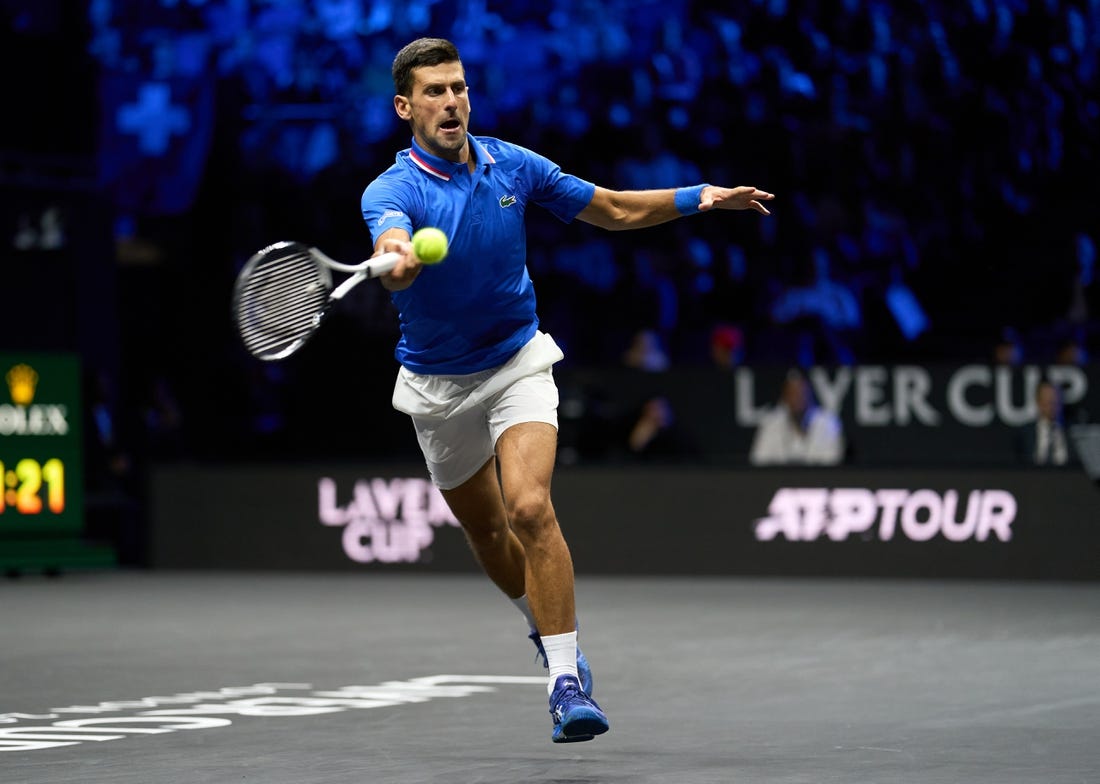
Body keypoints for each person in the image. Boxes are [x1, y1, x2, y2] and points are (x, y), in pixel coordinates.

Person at [360, 37, 774, 744]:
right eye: (434, 91)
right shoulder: (392, 193)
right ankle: (544, 630)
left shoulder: (512, 164)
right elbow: (394, 255)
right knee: (488, 532)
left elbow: (610, 208)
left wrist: (699, 196)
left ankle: (563, 684)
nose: (452, 101)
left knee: (528, 507)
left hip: (517, 361)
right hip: (435, 385)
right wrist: (396, 260)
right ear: (406, 106)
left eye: (458, 87)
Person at [749, 368, 845, 466]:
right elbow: (759, 459)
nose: (798, 398)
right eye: (793, 394)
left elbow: (833, 460)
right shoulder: (770, 423)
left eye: (802, 393)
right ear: (785, 397)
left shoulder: (828, 422)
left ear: (810, 395)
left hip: (818, 480)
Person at [1016, 379, 1075, 467]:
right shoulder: (1024, 434)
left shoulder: (1072, 432)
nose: (1052, 406)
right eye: (1048, 401)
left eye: (1055, 401)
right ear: (1038, 402)